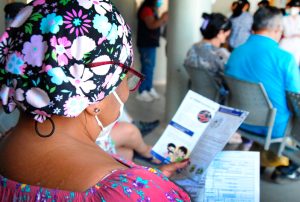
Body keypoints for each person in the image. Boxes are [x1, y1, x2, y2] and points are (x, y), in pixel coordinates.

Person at [0, 0, 191, 201]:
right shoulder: (132, 194)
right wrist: (151, 192)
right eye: (126, 78)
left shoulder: (7, 142)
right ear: (94, 97)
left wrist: (148, 184)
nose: (127, 89)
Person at [226, 6, 300, 181]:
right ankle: (289, 166)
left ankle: (265, 161)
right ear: (277, 29)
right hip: (273, 128)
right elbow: (297, 98)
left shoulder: (236, 52)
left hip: (242, 121)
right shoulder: (285, 58)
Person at [184, 12, 231, 104]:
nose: (228, 36)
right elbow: (233, 78)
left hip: (197, 98)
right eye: (227, 33)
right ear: (220, 32)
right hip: (218, 101)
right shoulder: (220, 54)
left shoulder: (192, 48)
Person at [136, 0, 168, 102]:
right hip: (146, 44)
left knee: (150, 68)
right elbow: (151, 25)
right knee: (147, 68)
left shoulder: (152, 10)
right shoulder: (146, 10)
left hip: (150, 44)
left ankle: (149, 88)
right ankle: (142, 91)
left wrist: (163, 19)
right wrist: (163, 18)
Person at [280, 0, 300, 65]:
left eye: (296, 7)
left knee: (294, 64)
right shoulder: (284, 19)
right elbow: (280, 31)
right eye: (292, 7)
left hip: (297, 44)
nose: (294, 9)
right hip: (286, 43)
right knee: (283, 62)